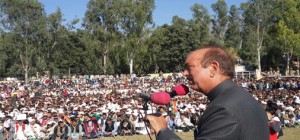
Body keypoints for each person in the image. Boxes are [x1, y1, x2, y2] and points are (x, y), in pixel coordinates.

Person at [146, 45, 269, 140]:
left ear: (213, 68)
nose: (184, 73)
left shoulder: (223, 109)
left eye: (189, 67)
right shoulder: (242, 97)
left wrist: (163, 131)